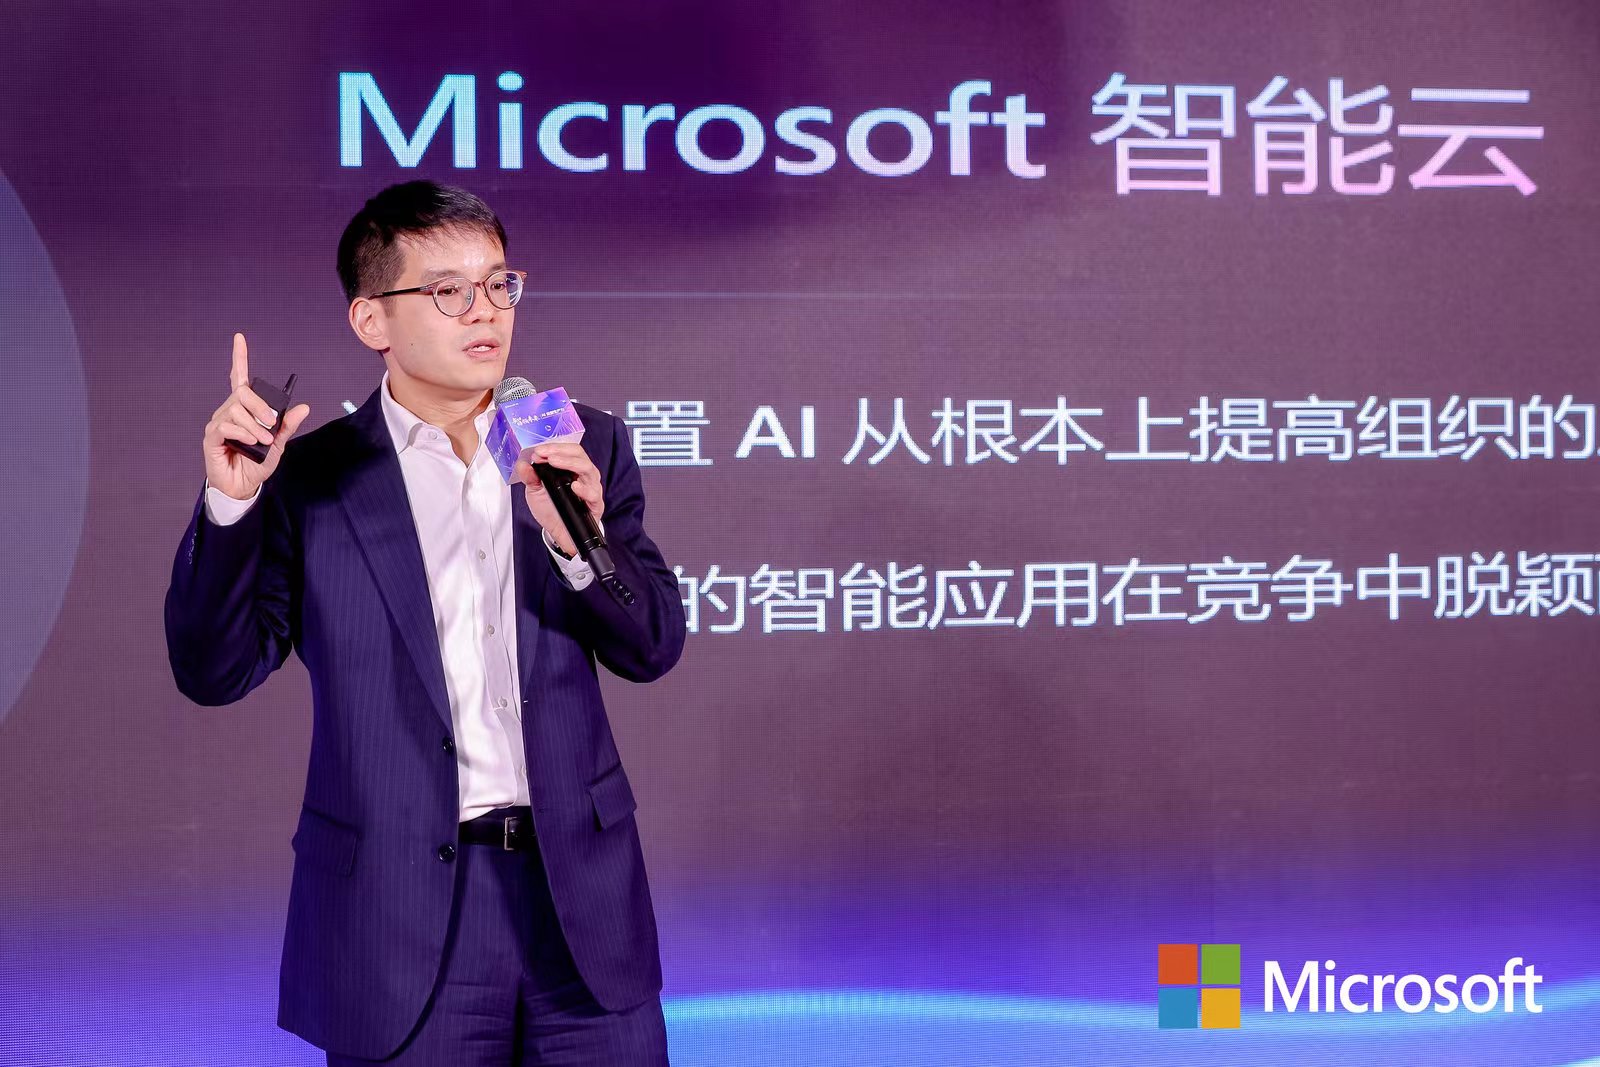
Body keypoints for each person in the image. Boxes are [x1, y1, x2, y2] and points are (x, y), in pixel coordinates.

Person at [164, 180, 686, 1065]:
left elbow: (654, 644)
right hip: (399, 917)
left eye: (499, 284)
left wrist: (579, 545)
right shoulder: (311, 478)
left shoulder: (577, 445)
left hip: (581, 907)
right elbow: (214, 670)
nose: (486, 311)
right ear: (372, 320)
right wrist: (230, 503)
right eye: (448, 290)